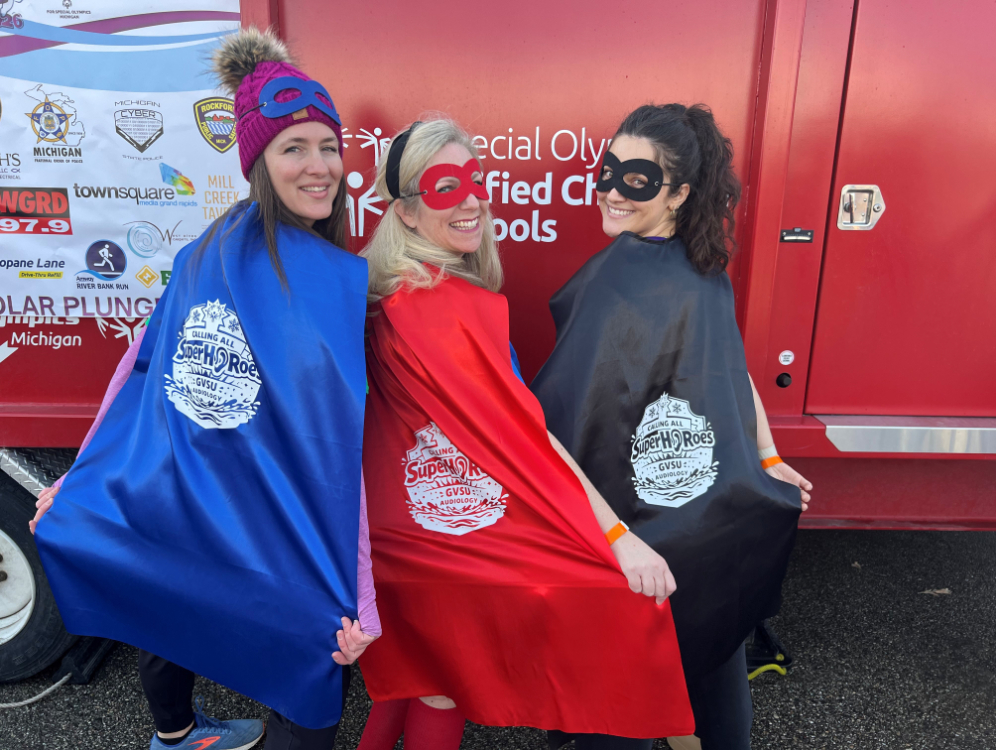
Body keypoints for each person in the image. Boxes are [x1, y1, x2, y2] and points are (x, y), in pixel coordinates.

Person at [31, 28, 377, 750]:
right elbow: (333, 451)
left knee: (170, 597)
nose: (320, 166)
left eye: (328, 146)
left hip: (192, 505)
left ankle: (176, 734)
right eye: (293, 148)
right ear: (257, 161)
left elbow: (135, 368)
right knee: (312, 663)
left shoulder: (206, 251)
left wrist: (82, 474)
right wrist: (363, 595)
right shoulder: (324, 280)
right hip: (269, 524)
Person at [354, 118, 695, 750]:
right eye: (444, 186)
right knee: (447, 681)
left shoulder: (386, 288)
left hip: (394, 527)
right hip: (438, 537)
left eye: (473, 180)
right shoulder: (442, 307)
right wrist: (617, 538)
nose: (470, 200)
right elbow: (525, 440)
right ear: (404, 211)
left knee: (410, 675)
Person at [531, 103, 811, 750]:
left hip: (658, 541)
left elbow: (727, 370)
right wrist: (763, 456)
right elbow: (562, 422)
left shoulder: (665, 281)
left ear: (679, 193)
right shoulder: (673, 275)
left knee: (647, 705)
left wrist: (769, 456)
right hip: (675, 537)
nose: (611, 190)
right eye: (608, 171)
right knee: (697, 685)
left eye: (636, 179)